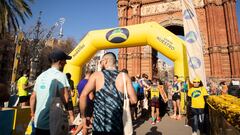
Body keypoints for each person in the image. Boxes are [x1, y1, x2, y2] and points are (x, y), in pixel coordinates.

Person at [79, 52, 137, 135]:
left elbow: (83, 95)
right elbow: (134, 100)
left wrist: (83, 117)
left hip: (99, 126)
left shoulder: (96, 75)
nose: (100, 64)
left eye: (101, 61)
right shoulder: (124, 76)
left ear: (105, 61)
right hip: (117, 126)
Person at [30, 50, 71, 135]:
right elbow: (66, 99)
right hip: (52, 123)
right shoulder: (61, 76)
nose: (66, 63)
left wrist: (33, 113)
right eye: (65, 61)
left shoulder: (40, 76)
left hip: (38, 121)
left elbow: (33, 97)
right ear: (60, 62)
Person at [76, 69, 94, 135]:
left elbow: (78, 94)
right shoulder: (89, 83)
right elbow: (91, 97)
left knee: (84, 122)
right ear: (91, 75)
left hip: (81, 104)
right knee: (86, 123)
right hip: (88, 104)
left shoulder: (80, 82)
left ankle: (75, 133)